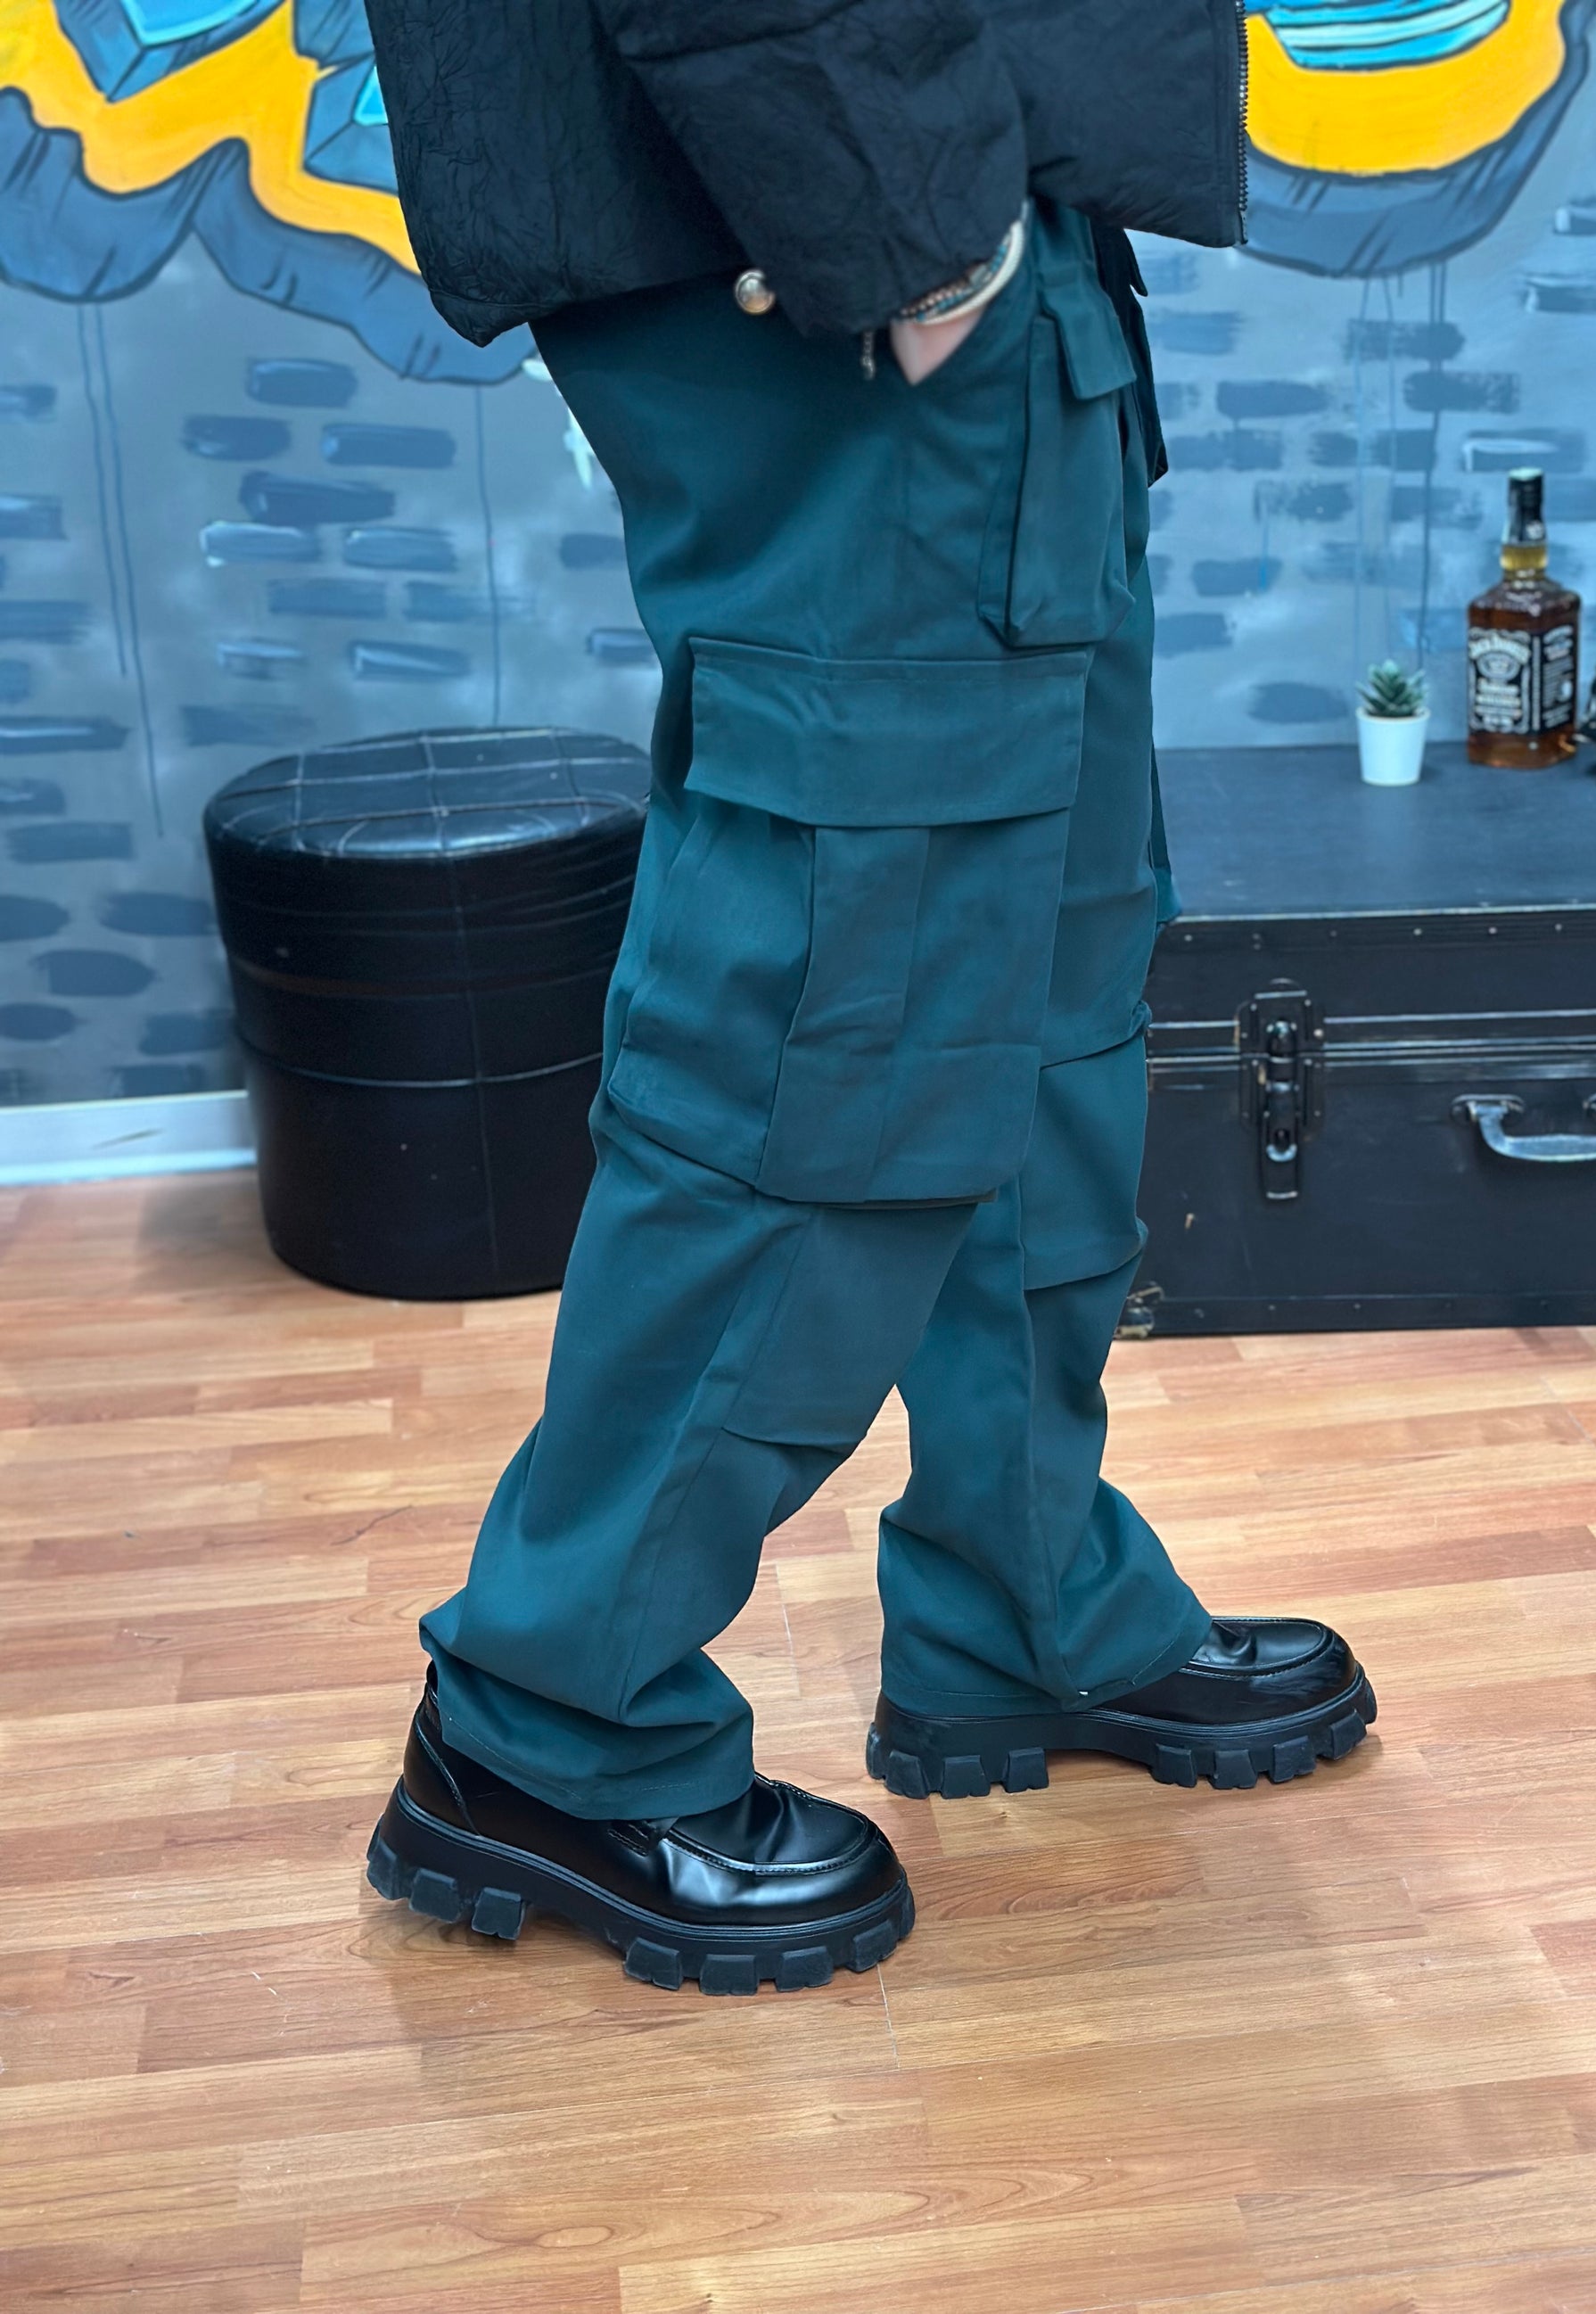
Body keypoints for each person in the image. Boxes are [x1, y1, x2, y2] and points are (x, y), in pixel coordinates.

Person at [358, 0, 1376, 1995]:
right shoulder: (888, 226)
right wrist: (912, 228)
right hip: (836, 218)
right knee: (839, 1023)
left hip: (960, 216)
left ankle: (1024, 1600)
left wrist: (975, 232)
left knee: (1048, 986)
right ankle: (547, 1723)